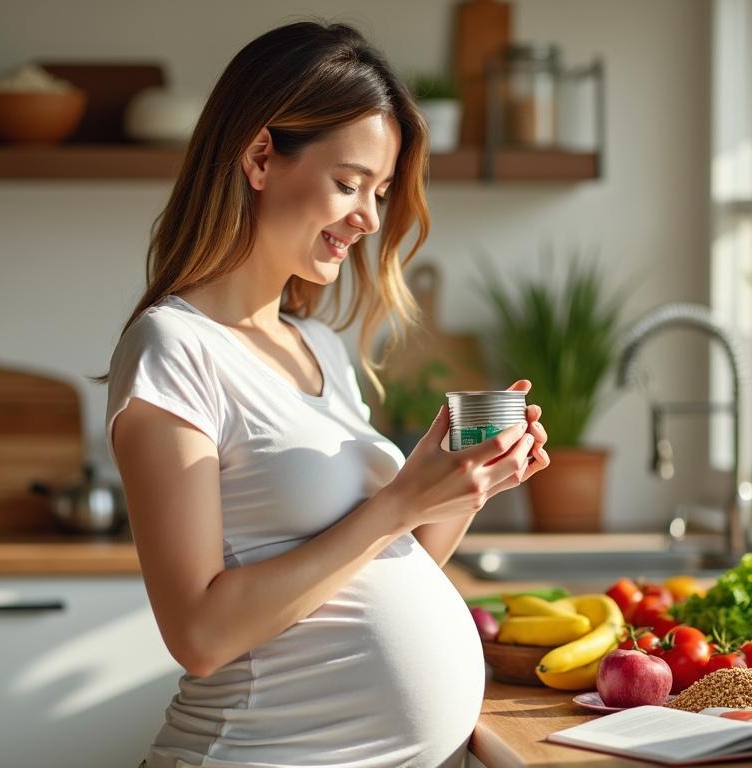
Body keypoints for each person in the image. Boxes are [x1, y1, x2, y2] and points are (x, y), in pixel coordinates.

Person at [105, 20, 550, 768]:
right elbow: (200, 636)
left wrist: (462, 487)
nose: (370, 219)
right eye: (349, 184)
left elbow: (372, 566)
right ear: (259, 157)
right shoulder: (173, 349)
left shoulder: (321, 347)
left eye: (378, 192)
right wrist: (400, 503)